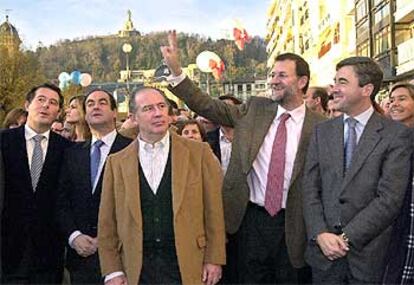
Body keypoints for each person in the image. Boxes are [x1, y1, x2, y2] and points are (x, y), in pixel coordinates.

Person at [161, 30, 325, 284]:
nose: (273, 80)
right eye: (272, 75)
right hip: (250, 221)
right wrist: (177, 72)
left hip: (295, 225)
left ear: (302, 81)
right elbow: (207, 105)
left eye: (282, 75)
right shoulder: (255, 109)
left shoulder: (321, 127)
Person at [98, 87, 226, 285]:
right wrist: (112, 270)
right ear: (133, 117)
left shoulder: (199, 153)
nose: (157, 113)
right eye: (148, 108)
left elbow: (215, 210)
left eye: (161, 106)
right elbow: (107, 222)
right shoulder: (116, 162)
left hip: (188, 263)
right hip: (137, 268)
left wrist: (214, 258)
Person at [303, 57, 412, 284]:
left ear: (367, 89)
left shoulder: (396, 135)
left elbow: (389, 199)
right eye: (334, 81)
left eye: (342, 82)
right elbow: (310, 189)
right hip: (323, 257)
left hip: (369, 257)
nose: (334, 89)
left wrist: (345, 238)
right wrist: (321, 234)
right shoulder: (321, 132)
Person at [56, 89, 132, 284]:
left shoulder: (132, 149)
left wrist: (108, 239)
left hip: (122, 257)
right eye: (90, 104)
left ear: (115, 112)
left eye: (102, 102)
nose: (95, 106)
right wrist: (74, 236)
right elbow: (61, 201)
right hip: (81, 258)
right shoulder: (73, 153)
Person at [0, 83, 72, 284]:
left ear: (58, 112)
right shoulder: (4, 141)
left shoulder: (67, 150)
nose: (46, 106)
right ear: (27, 104)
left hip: (49, 255)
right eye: (41, 100)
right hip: (7, 252)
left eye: (53, 103)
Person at [382, 82, 414, 284]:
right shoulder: (384, 138)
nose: (394, 104)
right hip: (389, 222)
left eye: (402, 98)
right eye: (392, 99)